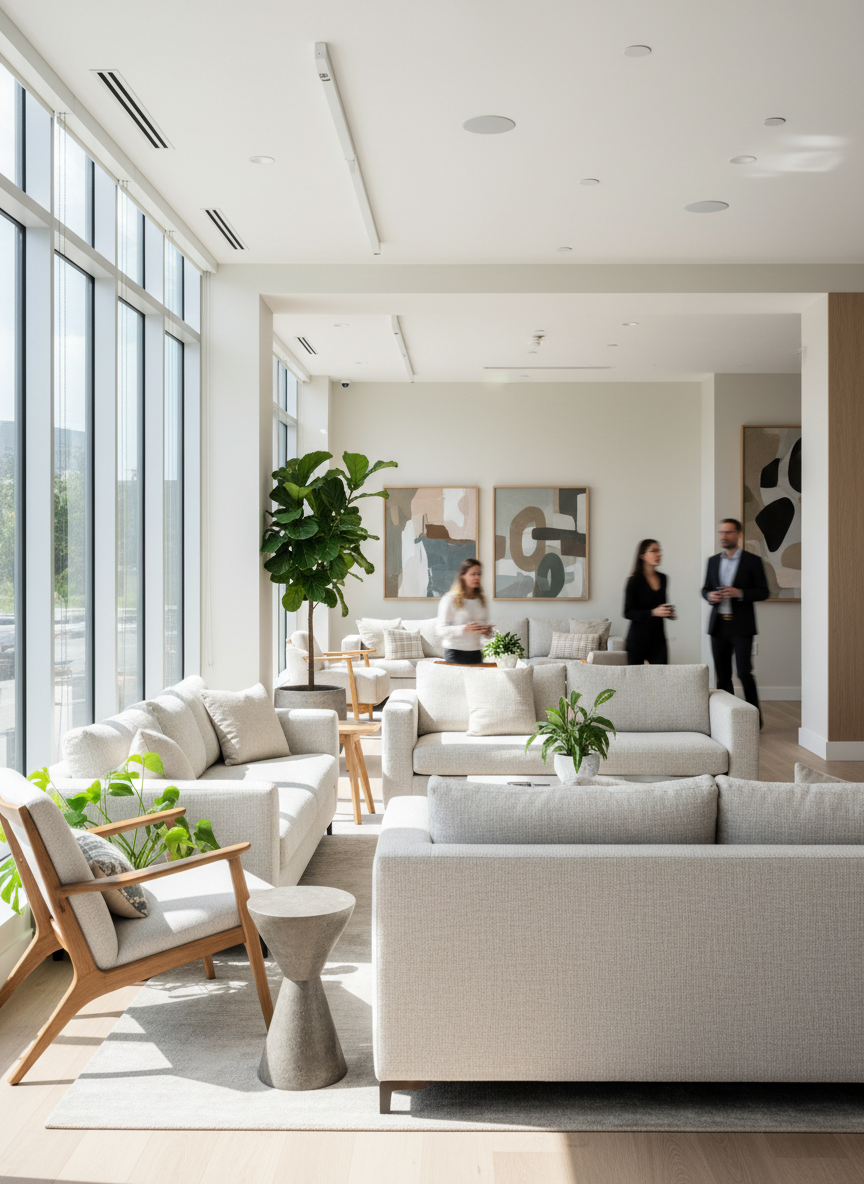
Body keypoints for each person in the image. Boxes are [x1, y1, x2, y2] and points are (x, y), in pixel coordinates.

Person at [702, 517, 769, 724]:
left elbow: (764, 591)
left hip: (741, 626)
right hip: (718, 625)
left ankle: (754, 720)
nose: (723, 536)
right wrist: (709, 596)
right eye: (721, 532)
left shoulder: (752, 561)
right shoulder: (712, 561)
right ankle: (727, 720)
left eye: (728, 532)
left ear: (738, 535)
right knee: (722, 676)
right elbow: (705, 588)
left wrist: (739, 592)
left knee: (744, 672)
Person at [623, 539, 674, 665]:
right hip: (637, 641)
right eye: (654, 551)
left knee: (662, 679)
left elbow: (660, 604)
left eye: (659, 551)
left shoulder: (663, 578)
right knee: (635, 682)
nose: (659, 554)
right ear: (642, 556)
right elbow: (628, 612)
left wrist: (668, 612)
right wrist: (653, 612)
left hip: (658, 641)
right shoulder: (634, 581)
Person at [436, 558, 493, 664]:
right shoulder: (449, 599)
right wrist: (464, 628)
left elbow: (482, 627)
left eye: (479, 574)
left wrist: (487, 632)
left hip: (476, 653)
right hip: (455, 653)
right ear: (463, 576)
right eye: (473, 574)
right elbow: (440, 630)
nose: (477, 577)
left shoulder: (481, 599)